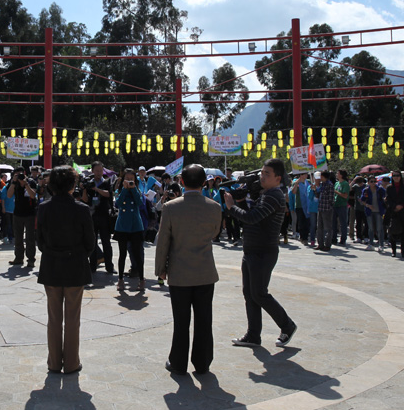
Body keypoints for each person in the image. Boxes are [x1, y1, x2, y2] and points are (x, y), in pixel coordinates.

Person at [155, 164, 223, 375]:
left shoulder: (170, 207)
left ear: (182, 182)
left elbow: (163, 241)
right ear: (204, 182)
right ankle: (202, 363)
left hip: (180, 272)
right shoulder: (214, 207)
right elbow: (214, 233)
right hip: (205, 271)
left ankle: (178, 362)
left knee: (181, 320)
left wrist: (161, 269)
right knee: (204, 319)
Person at [224, 158, 298, 349]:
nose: (262, 177)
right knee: (250, 294)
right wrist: (242, 201)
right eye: (262, 173)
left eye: (267, 174)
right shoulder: (266, 195)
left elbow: (251, 218)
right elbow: (251, 218)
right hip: (252, 250)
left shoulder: (273, 196)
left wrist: (232, 206)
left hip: (263, 252)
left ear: (278, 178)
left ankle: (287, 325)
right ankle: (253, 335)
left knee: (259, 293)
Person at [36, 165, 95, 375]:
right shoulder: (81, 209)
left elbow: (40, 242)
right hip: (75, 266)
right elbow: (90, 242)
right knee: (72, 318)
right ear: (72, 185)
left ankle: (53, 362)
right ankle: (71, 363)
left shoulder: (44, 208)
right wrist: (78, 254)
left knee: (54, 318)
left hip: (51, 266)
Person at [114, 168, 146, 291]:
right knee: (122, 254)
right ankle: (120, 279)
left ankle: (141, 279)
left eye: (131, 179)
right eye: (127, 179)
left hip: (135, 225)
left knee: (137, 254)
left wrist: (133, 189)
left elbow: (139, 203)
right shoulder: (119, 190)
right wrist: (124, 189)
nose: (129, 181)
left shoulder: (138, 190)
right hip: (122, 225)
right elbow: (118, 204)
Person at [9, 168, 38, 268]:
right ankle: (18, 258)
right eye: (17, 174)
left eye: (20, 174)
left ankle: (31, 259)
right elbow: (9, 195)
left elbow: (33, 195)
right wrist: (13, 182)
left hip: (29, 213)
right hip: (18, 213)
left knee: (30, 238)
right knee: (18, 237)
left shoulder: (31, 182)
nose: (19, 176)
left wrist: (26, 184)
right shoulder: (14, 183)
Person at [385, 171, 404, 258]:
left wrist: (401, 205)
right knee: (392, 231)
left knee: (403, 232)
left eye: (398, 175)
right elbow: (388, 199)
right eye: (394, 175)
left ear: (400, 177)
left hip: (403, 211)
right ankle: (394, 251)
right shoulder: (389, 187)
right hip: (393, 211)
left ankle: (403, 251)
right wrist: (395, 206)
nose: (396, 177)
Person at [360, 175, 386, 251]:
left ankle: (381, 245)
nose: (373, 183)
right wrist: (368, 205)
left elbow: (385, 197)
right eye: (371, 181)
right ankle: (371, 244)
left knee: (379, 228)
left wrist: (384, 201)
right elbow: (362, 200)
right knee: (370, 228)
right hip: (369, 211)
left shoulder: (380, 189)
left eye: (375, 181)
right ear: (368, 182)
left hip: (379, 211)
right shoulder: (366, 190)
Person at [315, 170, 335, 252]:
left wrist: (330, 206)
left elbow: (331, 198)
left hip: (327, 209)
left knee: (328, 228)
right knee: (319, 227)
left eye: (321, 176)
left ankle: (327, 244)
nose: (320, 178)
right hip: (320, 208)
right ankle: (320, 244)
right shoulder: (322, 185)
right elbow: (318, 195)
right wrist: (315, 189)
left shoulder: (330, 185)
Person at [333, 169, 350, 246]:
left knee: (343, 223)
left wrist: (336, 192)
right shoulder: (336, 183)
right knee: (333, 223)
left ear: (341, 175)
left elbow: (345, 195)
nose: (336, 174)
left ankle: (343, 239)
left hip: (342, 205)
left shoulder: (345, 184)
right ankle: (334, 238)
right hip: (335, 204)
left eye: (338, 173)